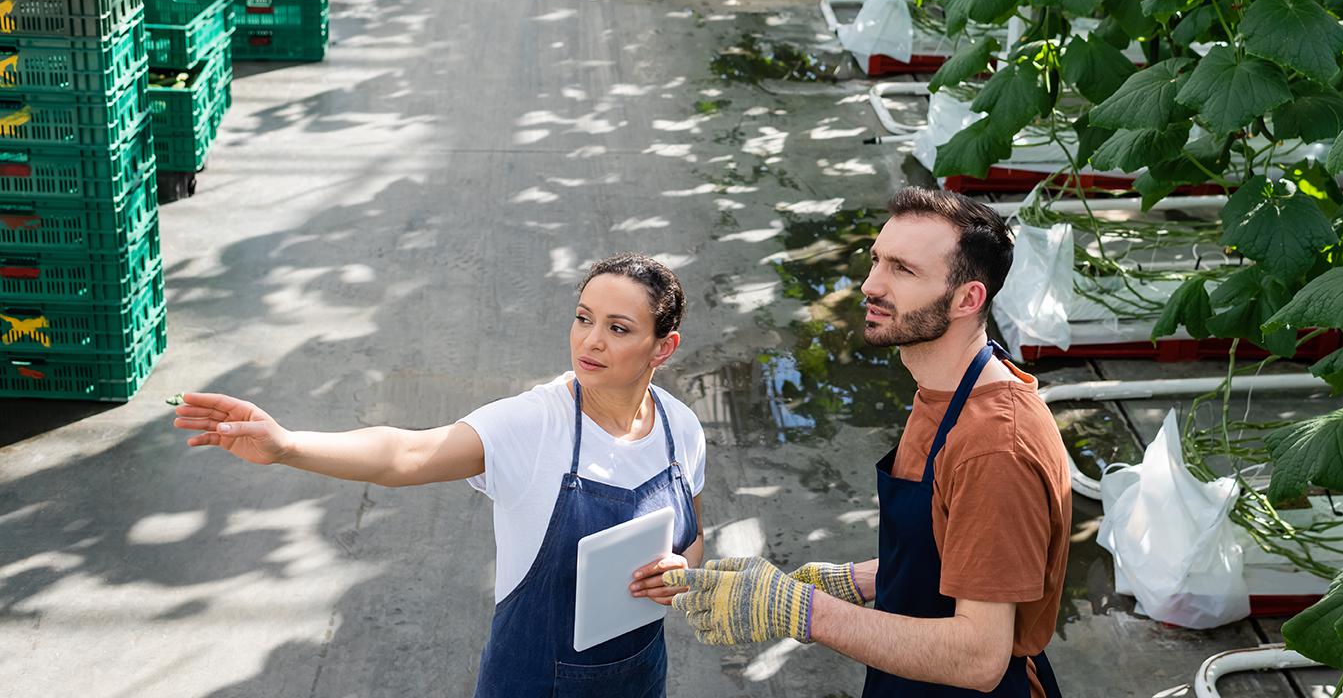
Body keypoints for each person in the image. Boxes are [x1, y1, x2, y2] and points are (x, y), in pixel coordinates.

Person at [174, 253, 706, 698]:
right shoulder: (533, 424)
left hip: (639, 678)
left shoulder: (679, 428)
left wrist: (678, 572)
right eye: (583, 318)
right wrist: (288, 446)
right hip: (532, 684)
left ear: (664, 347)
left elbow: (694, 538)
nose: (590, 341)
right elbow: (404, 453)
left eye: (617, 329)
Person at [664, 187, 1070, 697]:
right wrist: (852, 581)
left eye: (902, 270)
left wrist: (804, 611)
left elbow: (980, 657)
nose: (869, 285)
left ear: (968, 298)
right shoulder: (947, 389)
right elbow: (952, 549)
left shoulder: (994, 447)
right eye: (877, 260)